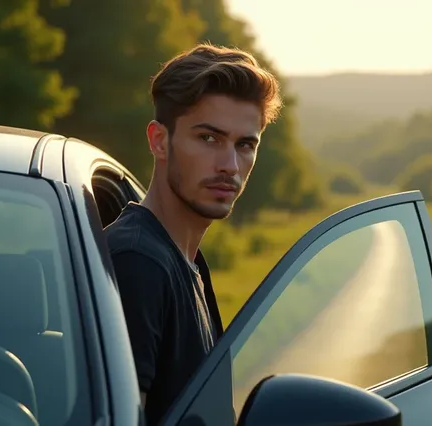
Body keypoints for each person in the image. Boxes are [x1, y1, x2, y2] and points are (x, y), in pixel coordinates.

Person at [103, 43, 282, 425]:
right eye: (209, 138)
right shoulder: (138, 263)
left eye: (245, 145)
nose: (230, 166)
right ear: (159, 141)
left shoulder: (187, 261)